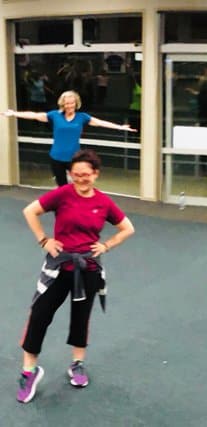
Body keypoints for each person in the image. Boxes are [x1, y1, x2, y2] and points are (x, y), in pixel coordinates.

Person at [16, 149, 135, 403]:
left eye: (86, 175)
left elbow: (127, 228)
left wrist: (106, 246)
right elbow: (30, 211)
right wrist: (44, 240)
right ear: (70, 175)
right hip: (58, 267)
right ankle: (29, 372)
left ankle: (77, 364)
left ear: (96, 174)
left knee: (81, 319)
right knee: (39, 315)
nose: (81, 179)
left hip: (88, 269)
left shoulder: (103, 202)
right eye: (76, 175)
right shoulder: (63, 194)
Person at [3, 90, 137, 186]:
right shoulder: (54, 115)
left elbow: (101, 122)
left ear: (76, 103)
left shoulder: (82, 117)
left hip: (74, 158)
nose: (69, 106)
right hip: (56, 157)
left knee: (79, 184)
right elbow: (34, 115)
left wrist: (120, 127)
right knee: (62, 187)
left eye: (72, 103)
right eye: (67, 103)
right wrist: (14, 113)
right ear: (63, 104)